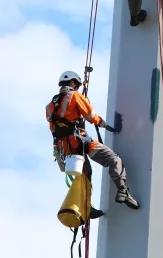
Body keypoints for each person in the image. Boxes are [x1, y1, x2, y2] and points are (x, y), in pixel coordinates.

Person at [45, 71, 140, 210]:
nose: (76, 88)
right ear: (72, 83)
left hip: (66, 149)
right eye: (76, 85)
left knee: (85, 175)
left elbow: (54, 129)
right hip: (82, 142)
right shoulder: (74, 96)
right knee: (114, 159)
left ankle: (86, 206)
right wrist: (104, 124)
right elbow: (91, 116)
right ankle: (122, 190)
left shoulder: (49, 107)